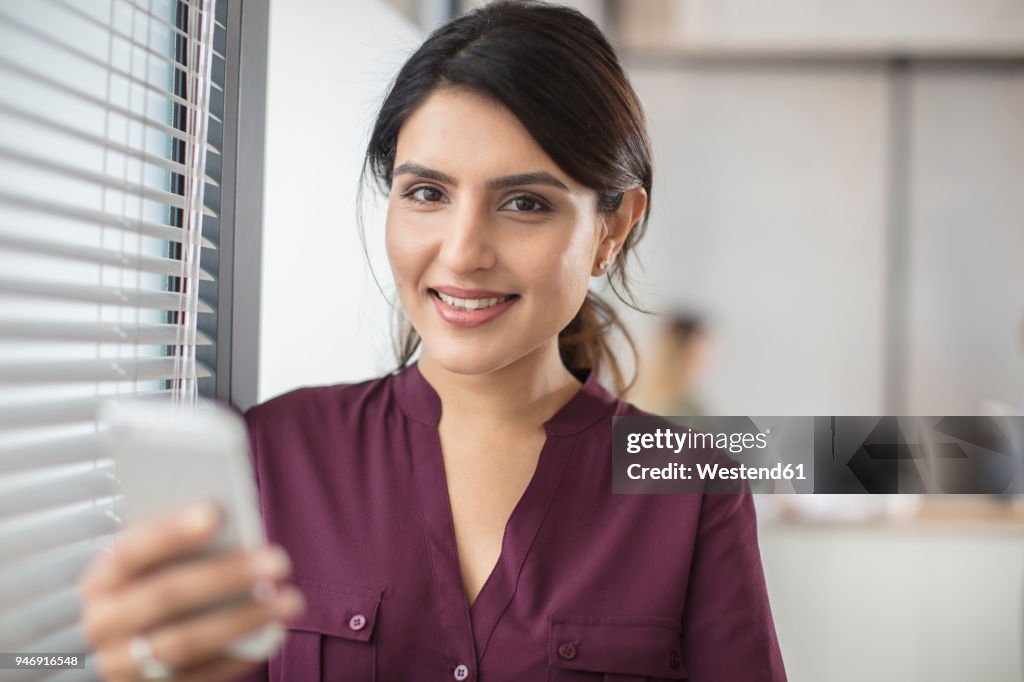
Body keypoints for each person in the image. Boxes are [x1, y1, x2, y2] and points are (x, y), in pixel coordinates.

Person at [78, 1, 787, 680]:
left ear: (612, 229)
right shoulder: (272, 453)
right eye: (427, 194)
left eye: (525, 203)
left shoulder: (693, 488)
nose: (462, 252)